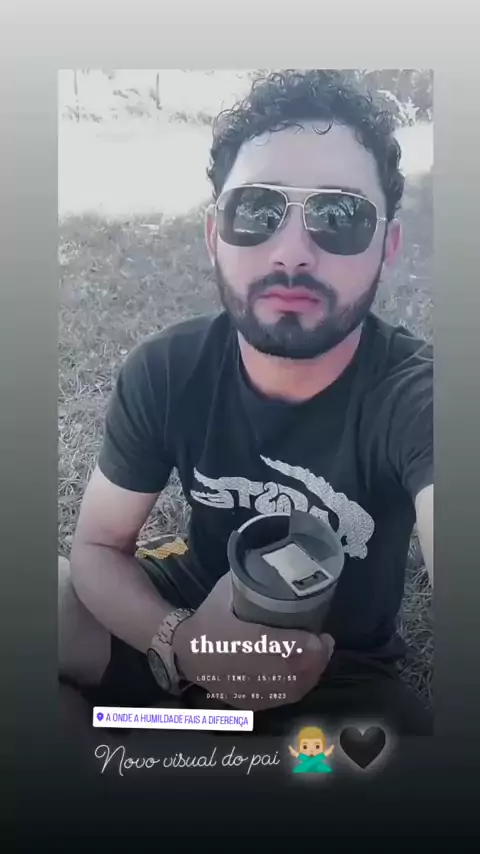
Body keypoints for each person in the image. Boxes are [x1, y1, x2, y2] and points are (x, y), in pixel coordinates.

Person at [59, 69, 433, 737]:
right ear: (214, 235)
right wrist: (185, 643)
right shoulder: (166, 370)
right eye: (256, 211)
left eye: (340, 217)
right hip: (178, 620)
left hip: (334, 681)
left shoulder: (419, 397)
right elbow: (96, 546)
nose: (291, 253)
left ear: (389, 246)